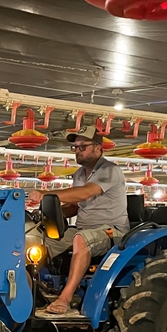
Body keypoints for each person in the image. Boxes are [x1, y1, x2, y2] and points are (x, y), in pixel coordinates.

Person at [26, 125, 129, 315]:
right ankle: (30, 292)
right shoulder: (79, 174)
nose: (77, 151)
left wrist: (46, 194)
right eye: (75, 147)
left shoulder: (110, 170)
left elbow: (85, 193)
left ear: (98, 147)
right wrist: (45, 214)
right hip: (82, 228)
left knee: (81, 240)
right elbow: (75, 206)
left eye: (83, 147)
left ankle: (64, 298)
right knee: (36, 240)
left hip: (112, 230)